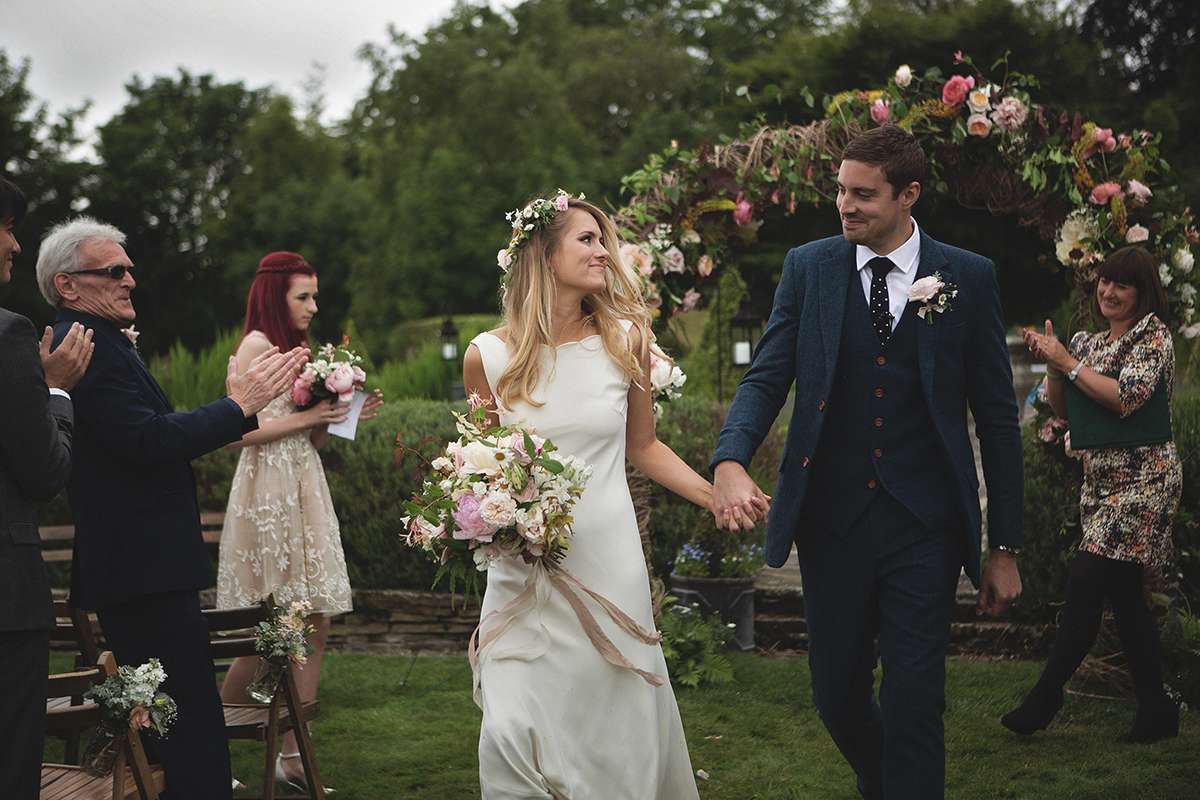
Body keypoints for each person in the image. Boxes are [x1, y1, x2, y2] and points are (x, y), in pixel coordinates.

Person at [710, 125, 1024, 800]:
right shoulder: (809, 267)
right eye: (840, 191)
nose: (844, 206)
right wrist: (730, 459)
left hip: (926, 525)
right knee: (837, 696)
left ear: (908, 195)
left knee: (916, 698)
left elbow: (999, 421)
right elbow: (766, 378)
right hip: (833, 523)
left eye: (863, 195)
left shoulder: (967, 276)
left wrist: (1005, 545)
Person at [463, 191, 760, 799]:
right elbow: (475, 465)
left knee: (611, 723)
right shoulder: (486, 357)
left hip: (608, 559)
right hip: (523, 572)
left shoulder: (626, 341)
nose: (604, 252)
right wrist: (477, 517)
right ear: (543, 256)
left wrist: (715, 496)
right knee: (512, 723)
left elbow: (644, 447)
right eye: (587, 239)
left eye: (604, 240)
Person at [40, 216, 306, 800]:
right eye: (114, 271)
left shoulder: (101, 340)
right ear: (68, 285)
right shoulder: (80, 346)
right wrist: (238, 405)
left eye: (129, 269)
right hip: (139, 569)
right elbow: (149, 441)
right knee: (187, 730)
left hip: (146, 568)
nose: (131, 280)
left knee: (175, 722)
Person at [215, 250, 383, 791]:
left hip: (302, 480)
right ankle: (209, 746)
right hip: (268, 488)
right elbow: (239, 430)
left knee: (315, 618)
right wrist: (313, 413)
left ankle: (294, 752)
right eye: (303, 296)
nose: (314, 306)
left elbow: (308, 434)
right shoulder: (256, 346)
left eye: (315, 296)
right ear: (274, 295)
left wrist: (342, 415)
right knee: (273, 627)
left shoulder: (297, 351)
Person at [1007, 245, 1181, 742]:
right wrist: (1055, 362)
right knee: (1126, 599)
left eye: (1121, 285)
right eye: (1105, 281)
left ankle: (1047, 694)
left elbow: (1125, 398)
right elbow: (1060, 407)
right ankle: (1156, 710)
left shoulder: (1154, 339)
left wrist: (1068, 362)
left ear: (1142, 292)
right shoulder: (1087, 341)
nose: (1109, 291)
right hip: (1101, 484)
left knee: (1086, 576)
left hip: (1145, 482)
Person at [0, 177, 93, 799]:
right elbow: (42, 472)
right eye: (4, 228)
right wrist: (55, 389)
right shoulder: (9, 334)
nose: (13, 244)